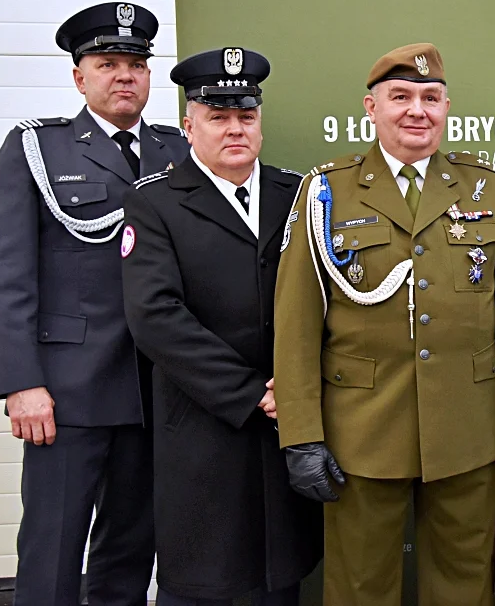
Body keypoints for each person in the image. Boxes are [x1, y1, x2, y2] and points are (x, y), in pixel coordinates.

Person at [272, 42, 495, 606]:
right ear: (371, 108)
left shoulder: (486, 187)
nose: (416, 110)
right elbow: (296, 322)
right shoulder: (327, 190)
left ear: (447, 107)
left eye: (430, 97)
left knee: (463, 582)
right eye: (400, 97)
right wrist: (301, 434)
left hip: (467, 426)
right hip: (361, 429)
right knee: (359, 587)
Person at [0, 2, 189, 605]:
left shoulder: (176, 150)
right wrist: (21, 383)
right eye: (108, 63)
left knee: (131, 549)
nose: (124, 75)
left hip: (155, 389)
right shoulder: (37, 148)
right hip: (67, 393)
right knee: (52, 548)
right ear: (80, 76)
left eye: (136, 63)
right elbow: (8, 273)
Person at [120, 47, 322, 605]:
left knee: (280, 577)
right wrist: (251, 392)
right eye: (218, 116)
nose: (235, 128)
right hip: (206, 424)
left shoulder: (298, 194)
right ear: (190, 125)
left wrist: (296, 386)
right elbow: (156, 317)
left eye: (246, 115)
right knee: (204, 579)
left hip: (288, 423)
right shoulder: (156, 203)